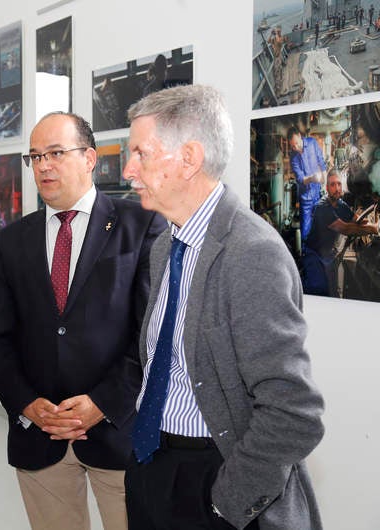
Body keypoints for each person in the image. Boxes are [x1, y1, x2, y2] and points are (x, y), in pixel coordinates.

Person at [122, 84, 325, 530]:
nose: (128, 170)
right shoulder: (165, 245)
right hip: (152, 462)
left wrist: (223, 505)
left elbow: (294, 412)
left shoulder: (252, 254)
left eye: (141, 153)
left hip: (212, 481)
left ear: (189, 159)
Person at [0, 111, 165, 530]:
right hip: (39, 438)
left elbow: (150, 336)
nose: (43, 165)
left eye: (56, 153)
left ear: (89, 158)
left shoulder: (141, 227)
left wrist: (102, 404)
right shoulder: (12, 242)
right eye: (35, 157)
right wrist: (28, 404)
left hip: (120, 433)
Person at [303, 169, 379, 296]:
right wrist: (373, 229)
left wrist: (374, 223)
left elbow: (358, 220)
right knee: (318, 291)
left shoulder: (340, 204)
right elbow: (346, 229)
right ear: (327, 188)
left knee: (331, 290)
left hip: (327, 253)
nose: (337, 188)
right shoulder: (322, 207)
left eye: (338, 184)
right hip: (314, 254)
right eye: (332, 185)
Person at [288, 126, 326, 242]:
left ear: (300, 136)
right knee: (305, 230)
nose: (295, 147)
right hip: (305, 198)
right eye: (292, 146)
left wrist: (324, 178)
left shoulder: (312, 143)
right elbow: (300, 179)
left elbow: (321, 160)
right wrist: (312, 178)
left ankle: (318, 252)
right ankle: (305, 254)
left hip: (318, 193)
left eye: (296, 143)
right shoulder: (293, 157)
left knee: (320, 226)